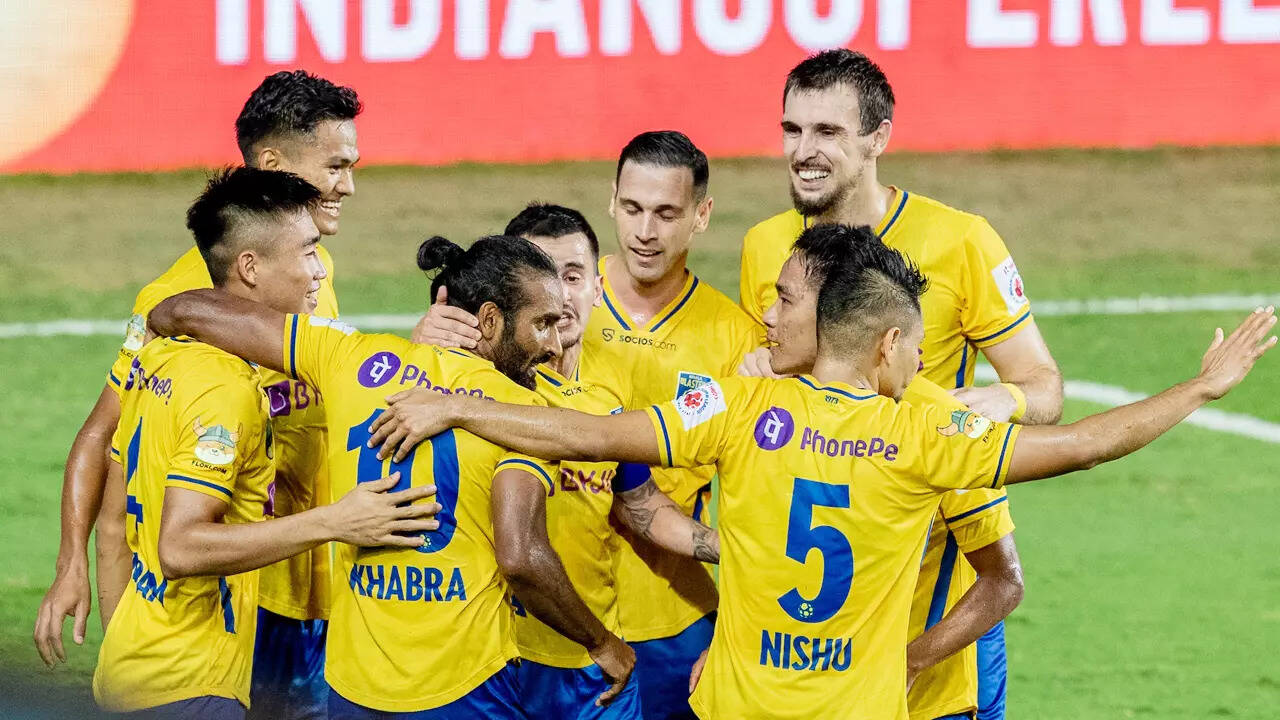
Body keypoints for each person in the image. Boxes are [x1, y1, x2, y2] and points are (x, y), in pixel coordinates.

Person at [364, 223, 1275, 720]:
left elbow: (588, 436)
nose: (918, 360)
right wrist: (1198, 388)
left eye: (786, 299)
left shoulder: (734, 410)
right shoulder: (927, 436)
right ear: (886, 343)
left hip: (736, 705)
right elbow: (1082, 444)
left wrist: (458, 406)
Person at [148, 235, 636, 718]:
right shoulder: (522, 415)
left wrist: (152, 328)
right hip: (465, 688)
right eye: (542, 324)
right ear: (490, 319)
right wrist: (600, 641)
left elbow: (189, 309)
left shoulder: (352, 356)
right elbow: (521, 556)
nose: (554, 344)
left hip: (354, 685)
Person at [738, 49, 1061, 718]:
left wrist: (1005, 398)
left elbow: (1045, 387)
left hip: (934, 591)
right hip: (810, 590)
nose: (803, 151)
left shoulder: (962, 242)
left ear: (878, 137)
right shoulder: (765, 247)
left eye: (828, 131)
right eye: (793, 129)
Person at [36, 69, 361, 720]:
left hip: (312, 573)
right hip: (241, 588)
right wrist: (73, 565)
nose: (348, 185)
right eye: (335, 166)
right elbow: (107, 440)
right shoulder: (177, 303)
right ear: (274, 164)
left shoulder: (310, 270)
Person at [415, 132, 762, 720]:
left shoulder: (689, 358)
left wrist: (745, 563)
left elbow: (649, 501)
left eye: (665, 212)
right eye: (632, 208)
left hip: (650, 624)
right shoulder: (478, 366)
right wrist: (423, 348)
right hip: (504, 640)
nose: (645, 231)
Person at [92, 167, 434, 718]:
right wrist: (337, 521)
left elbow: (112, 528)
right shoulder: (226, 391)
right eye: (308, 252)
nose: (319, 270)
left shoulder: (157, 359)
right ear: (250, 267)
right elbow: (180, 548)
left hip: (132, 668)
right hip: (190, 686)